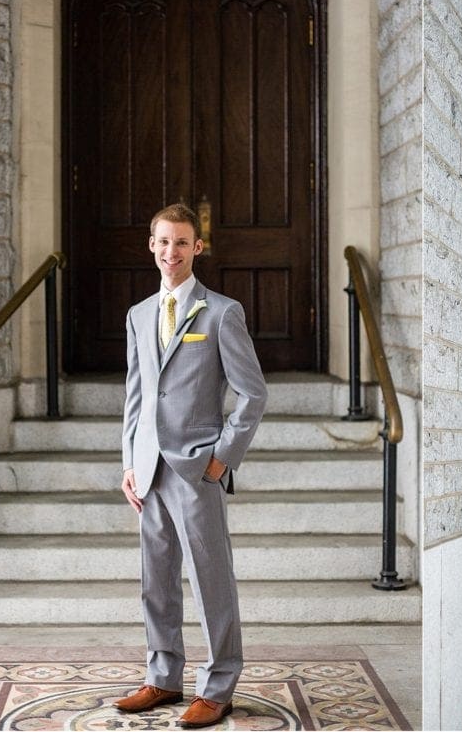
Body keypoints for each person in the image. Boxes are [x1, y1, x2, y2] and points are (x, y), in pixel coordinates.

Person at [113, 203, 268, 728]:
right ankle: (162, 676)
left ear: (197, 247)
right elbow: (136, 396)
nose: (171, 251)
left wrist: (222, 459)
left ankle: (218, 686)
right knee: (155, 580)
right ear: (151, 246)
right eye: (163, 241)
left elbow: (252, 394)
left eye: (181, 242)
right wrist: (130, 461)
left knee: (210, 580)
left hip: (197, 467)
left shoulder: (221, 312)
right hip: (149, 470)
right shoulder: (138, 315)